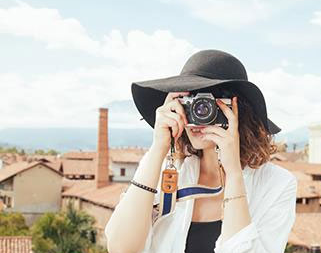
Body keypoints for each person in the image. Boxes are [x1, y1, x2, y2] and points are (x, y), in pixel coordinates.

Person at [105, 50, 297, 253]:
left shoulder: (277, 185)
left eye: (209, 105)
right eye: (190, 102)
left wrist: (233, 175)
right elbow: (120, 248)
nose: (199, 113)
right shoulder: (163, 168)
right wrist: (158, 148)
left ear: (238, 111)